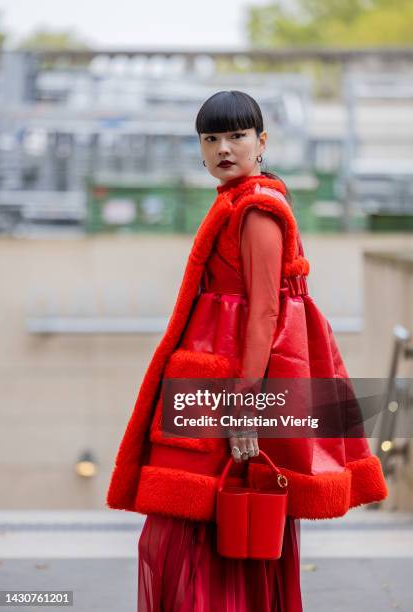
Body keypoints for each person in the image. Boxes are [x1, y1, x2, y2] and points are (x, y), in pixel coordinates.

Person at [106, 91, 388, 611]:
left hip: (232, 386)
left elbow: (264, 314)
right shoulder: (235, 201)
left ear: (262, 142)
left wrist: (245, 410)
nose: (223, 149)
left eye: (236, 136)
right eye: (210, 138)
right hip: (210, 380)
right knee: (191, 527)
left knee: (203, 530)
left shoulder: (258, 211)